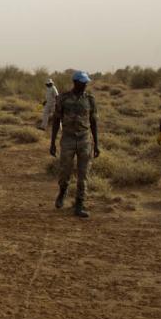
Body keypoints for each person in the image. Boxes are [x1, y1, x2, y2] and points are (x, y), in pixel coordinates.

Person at [49, 70, 100, 218]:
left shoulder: (90, 99)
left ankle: (79, 204)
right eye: (82, 82)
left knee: (83, 175)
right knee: (65, 170)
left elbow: (94, 121)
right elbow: (56, 120)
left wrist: (96, 143)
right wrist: (52, 142)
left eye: (86, 82)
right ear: (75, 82)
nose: (85, 85)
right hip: (68, 139)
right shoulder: (63, 98)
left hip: (85, 140)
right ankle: (63, 191)